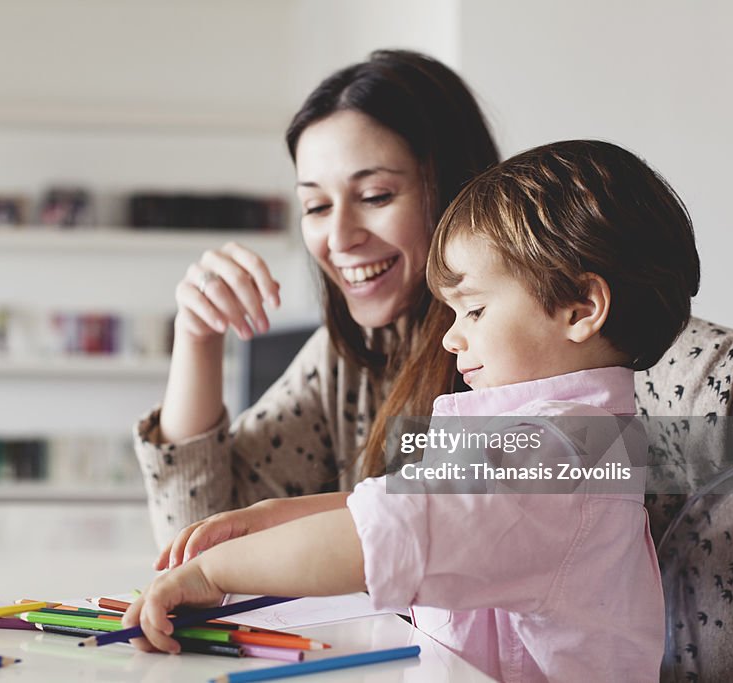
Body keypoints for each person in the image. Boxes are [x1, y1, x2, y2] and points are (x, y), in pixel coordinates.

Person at [122, 140, 702, 682]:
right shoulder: (586, 439)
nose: (451, 340)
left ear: (581, 308)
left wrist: (212, 574)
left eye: (472, 311)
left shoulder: (559, 454)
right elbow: (423, 497)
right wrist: (277, 516)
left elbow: (392, 531)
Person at [133, 49, 500, 548]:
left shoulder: (537, 331)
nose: (339, 236)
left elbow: (606, 482)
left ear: (458, 188)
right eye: (316, 206)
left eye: (375, 196)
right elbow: (199, 539)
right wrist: (196, 338)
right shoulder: (346, 356)